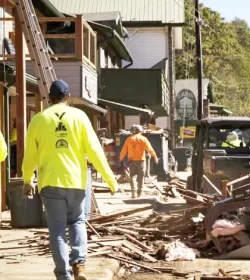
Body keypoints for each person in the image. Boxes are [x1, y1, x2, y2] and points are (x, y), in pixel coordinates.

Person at [22, 80, 118, 280]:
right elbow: (95, 151)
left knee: (56, 230)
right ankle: (79, 266)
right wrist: (111, 180)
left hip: (50, 182)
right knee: (77, 221)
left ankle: (63, 275)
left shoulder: (38, 120)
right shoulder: (80, 117)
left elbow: (30, 154)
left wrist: (27, 179)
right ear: (68, 97)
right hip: (75, 181)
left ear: (49, 97)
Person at [119, 125, 158, 198]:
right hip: (141, 161)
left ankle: (133, 193)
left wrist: (121, 158)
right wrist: (155, 156)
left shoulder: (129, 139)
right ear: (140, 131)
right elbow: (149, 149)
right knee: (141, 177)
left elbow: (124, 150)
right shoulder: (143, 139)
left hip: (131, 161)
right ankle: (140, 193)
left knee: (132, 176)